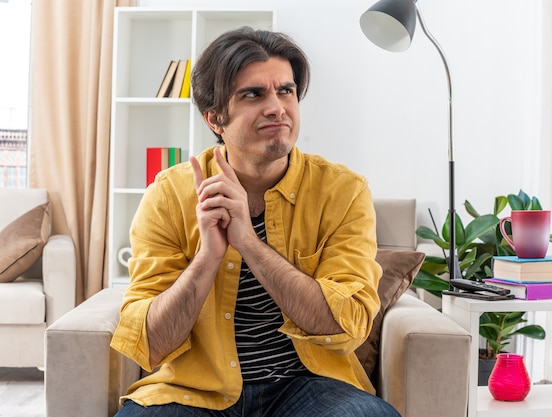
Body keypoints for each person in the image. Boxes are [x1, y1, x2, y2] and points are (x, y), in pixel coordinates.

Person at [111, 27, 399, 417]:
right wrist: (208, 258)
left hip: (310, 385)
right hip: (196, 389)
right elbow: (150, 343)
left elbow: (347, 326)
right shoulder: (168, 195)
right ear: (215, 118)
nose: (277, 107)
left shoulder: (342, 192)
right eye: (253, 94)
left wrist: (248, 241)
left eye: (286, 90)